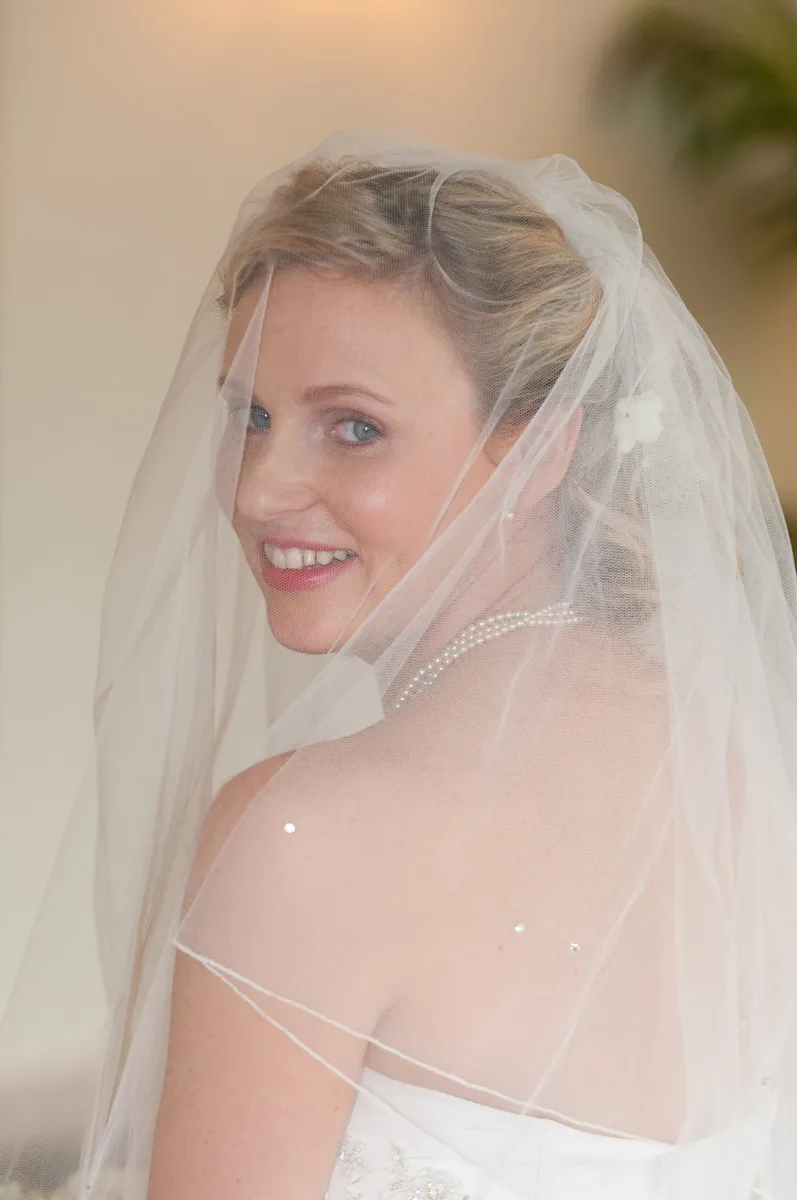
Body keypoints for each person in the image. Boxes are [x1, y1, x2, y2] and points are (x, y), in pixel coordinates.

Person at [3, 131, 797, 1200]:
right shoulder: (734, 751)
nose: (258, 489)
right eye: (251, 416)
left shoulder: (301, 836)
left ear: (537, 448)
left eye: (353, 428)